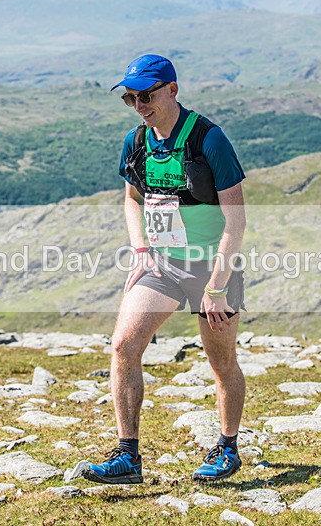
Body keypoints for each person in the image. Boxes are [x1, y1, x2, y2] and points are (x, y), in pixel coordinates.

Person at [81, 54, 247, 484]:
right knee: (123, 346)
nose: (138, 104)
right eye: (130, 98)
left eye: (147, 95)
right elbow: (132, 199)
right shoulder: (136, 142)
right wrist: (140, 250)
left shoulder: (209, 139)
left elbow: (237, 221)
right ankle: (127, 457)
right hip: (163, 263)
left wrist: (217, 288)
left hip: (214, 266)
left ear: (172, 90)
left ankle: (227, 448)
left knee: (221, 361)